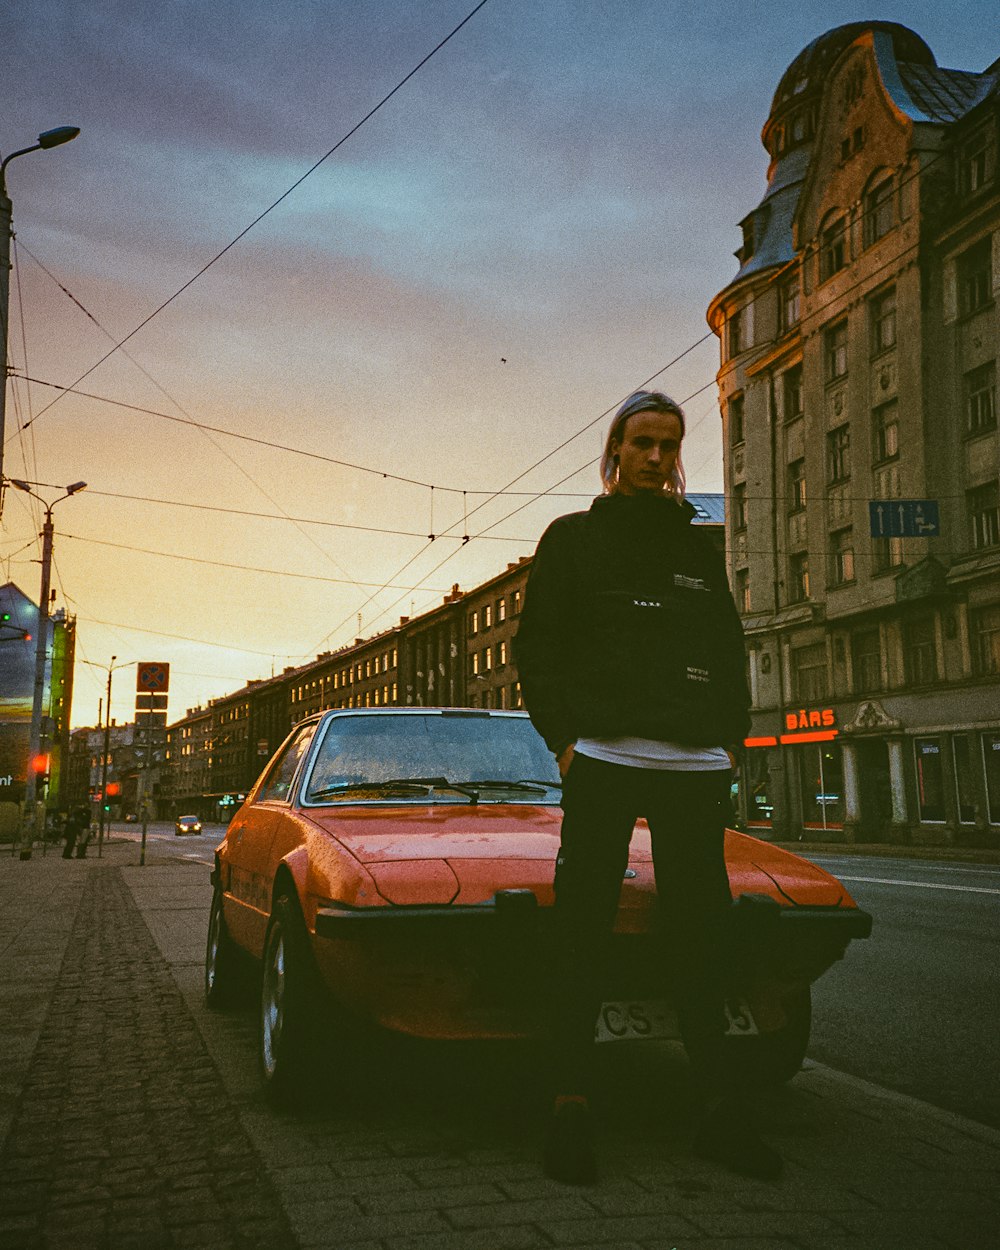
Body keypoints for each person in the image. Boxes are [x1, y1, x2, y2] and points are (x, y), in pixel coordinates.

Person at [513, 390, 781, 1184]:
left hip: (695, 765)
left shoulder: (694, 543)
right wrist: (564, 740)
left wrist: (731, 740)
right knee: (584, 930)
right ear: (617, 450)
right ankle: (570, 1107)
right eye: (643, 444)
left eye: (670, 445)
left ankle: (720, 1114)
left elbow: (726, 647)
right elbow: (538, 646)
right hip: (602, 756)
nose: (657, 458)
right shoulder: (574, 538)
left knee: (704, 932)